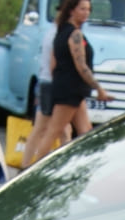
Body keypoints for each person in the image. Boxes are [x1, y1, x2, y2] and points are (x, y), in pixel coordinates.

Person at [23, 0, 111, 169]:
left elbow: (54, 64)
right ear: (72, 10)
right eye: (82, 9)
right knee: (53, 131)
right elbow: (81, 66)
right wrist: (99, 89)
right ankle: (35, 170)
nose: (86, 13)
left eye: (88, 9)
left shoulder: (60, 32)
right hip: (70, 90)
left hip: (71, 89)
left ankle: (90, 166)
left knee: (85, 130)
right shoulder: (74, 34)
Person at [20, 17, 71, 168]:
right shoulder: (59, 34)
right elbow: (54, 63)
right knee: (55, 129)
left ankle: (27, 165)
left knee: (60, 129)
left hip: (46, 83)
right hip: (54, 84)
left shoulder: (52, 31)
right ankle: (30, 165)